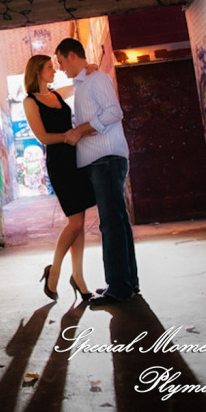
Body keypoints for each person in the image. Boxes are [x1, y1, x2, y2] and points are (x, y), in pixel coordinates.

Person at [55, 37, 139, 307]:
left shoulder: (96, 79)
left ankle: (120, 288)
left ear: (71, 56)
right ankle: (126, 283)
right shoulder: (83, 82)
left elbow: (114, 113)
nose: (59, 68)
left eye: (60, 61)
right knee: (118, 221)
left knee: (111, 223)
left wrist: (79, 130)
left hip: (106, 159)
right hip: (101, 161)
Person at [21, 54, 97, 303]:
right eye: (49, 67)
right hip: (60, 163)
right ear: (37, 71)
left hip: (77, 158)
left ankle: (79, 277)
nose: (54, 70)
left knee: (79, 220)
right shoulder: (30, 102)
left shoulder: (56, 94)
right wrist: (69, 135)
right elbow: (43, 137)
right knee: (74, 222)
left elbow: (77, 84)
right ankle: (54, 270)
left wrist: (89, 69)